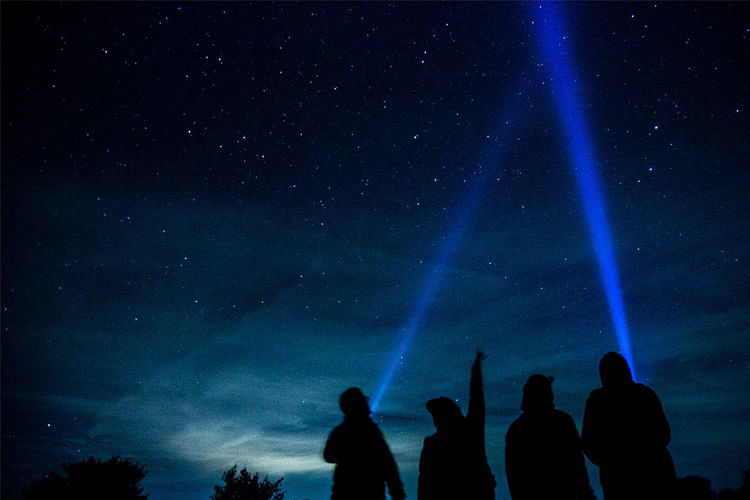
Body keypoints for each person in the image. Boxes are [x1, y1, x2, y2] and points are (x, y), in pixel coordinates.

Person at [582, 352, 676, 500]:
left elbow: (589, 442)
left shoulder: (597, 402)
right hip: (654, 473)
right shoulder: (645, 395)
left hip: (619, 479)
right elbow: (663, 433)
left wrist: (610, 463)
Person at [418, 352, 496, 500]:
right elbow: (425, 481)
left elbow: (424, 483)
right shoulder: (470, 430)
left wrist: (476, 368)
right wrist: (476, 367)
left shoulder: (434, 443)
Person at [505, 374, 595, 500]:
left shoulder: (516, 429)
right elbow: (577, 462)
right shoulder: (564, 421)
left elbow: (513, 474)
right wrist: (585, 491)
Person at [324, 387, 405, 500]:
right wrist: (397, 492)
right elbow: (387, 463)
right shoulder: (370, 432)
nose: (366, 404)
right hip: (366, 492)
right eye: (363, 401)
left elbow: (387, 462)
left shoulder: (341, 431)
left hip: (348, 492)